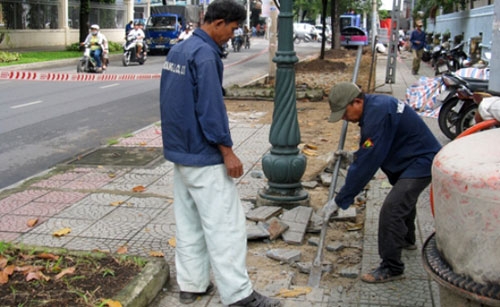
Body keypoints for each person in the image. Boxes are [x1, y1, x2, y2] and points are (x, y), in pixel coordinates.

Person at [159, 0, 281, 306]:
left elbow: (170, 103)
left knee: (189, 223)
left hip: (181, 153)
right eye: (233, 28)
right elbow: (211, 110)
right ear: (218, 23)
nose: (233, 34)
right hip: (204, 155)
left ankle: (192, 284)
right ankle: (240, 295)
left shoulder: (178, 50)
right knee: (226, 227)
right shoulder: (204, 55)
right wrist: (227, 151)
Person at [327, 82, 441, 283]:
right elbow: (373, 147)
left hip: (421, 161)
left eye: (344, 113)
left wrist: (340, 200)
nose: (344, 119)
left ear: (357, 101)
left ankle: (392, 267)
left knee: (391, 210)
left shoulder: (377, 115)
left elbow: (367, 164)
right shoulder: (375, 107)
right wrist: (353, 157)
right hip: (408, 158)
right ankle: (406, 239)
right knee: (404, 199)